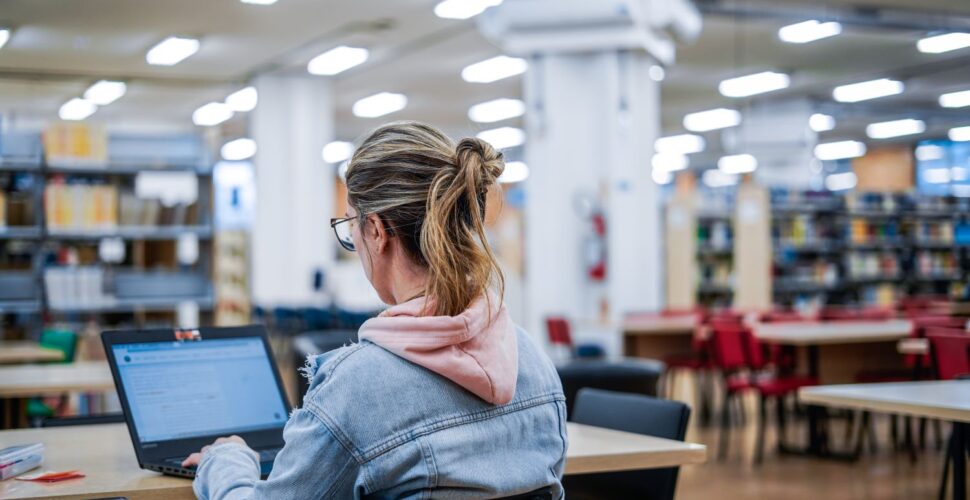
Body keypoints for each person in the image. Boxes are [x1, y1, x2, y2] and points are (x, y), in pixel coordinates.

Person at [185, 121, 567, 499]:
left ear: (376, 231)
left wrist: (226, 461)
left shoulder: (355, 388)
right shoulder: (531, 360)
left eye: (351, 224)